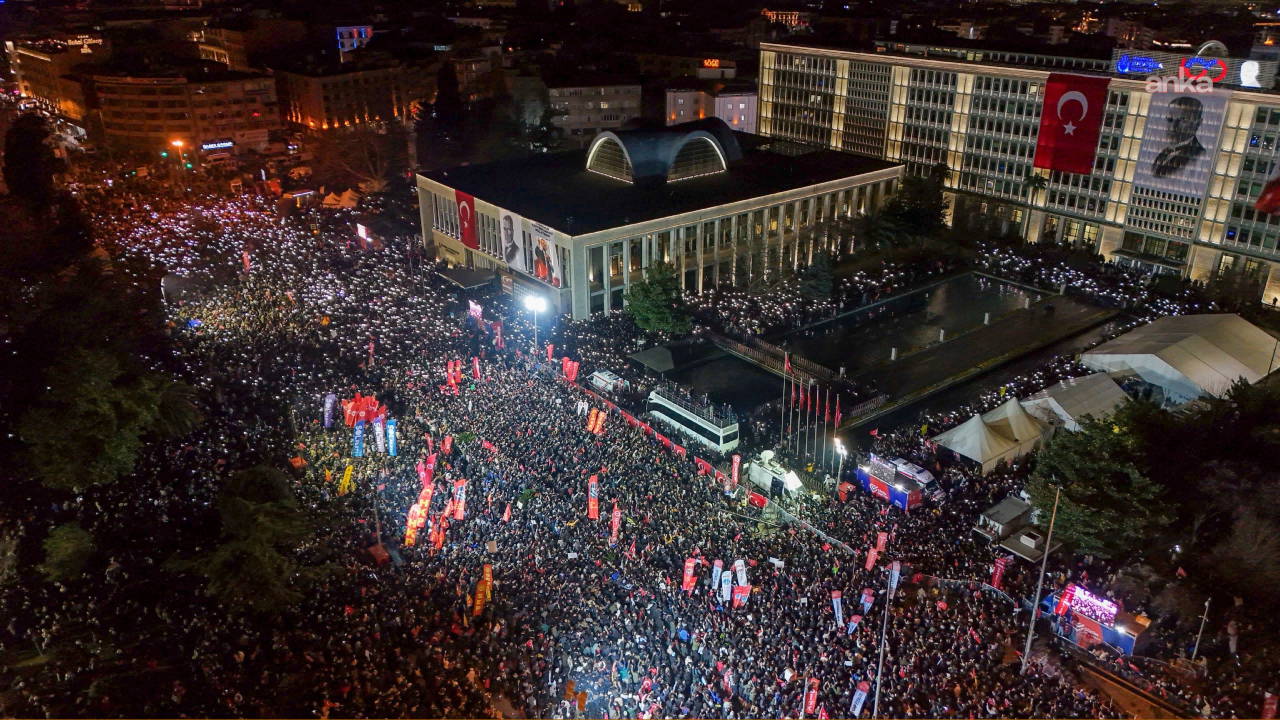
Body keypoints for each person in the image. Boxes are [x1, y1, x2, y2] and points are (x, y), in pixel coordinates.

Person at [1152, 96, 1206, 179]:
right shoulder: (1163, 153)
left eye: (1183, 120)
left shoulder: (1199, 157)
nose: (1173, 127)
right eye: (1170, 119)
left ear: (1198, 123)